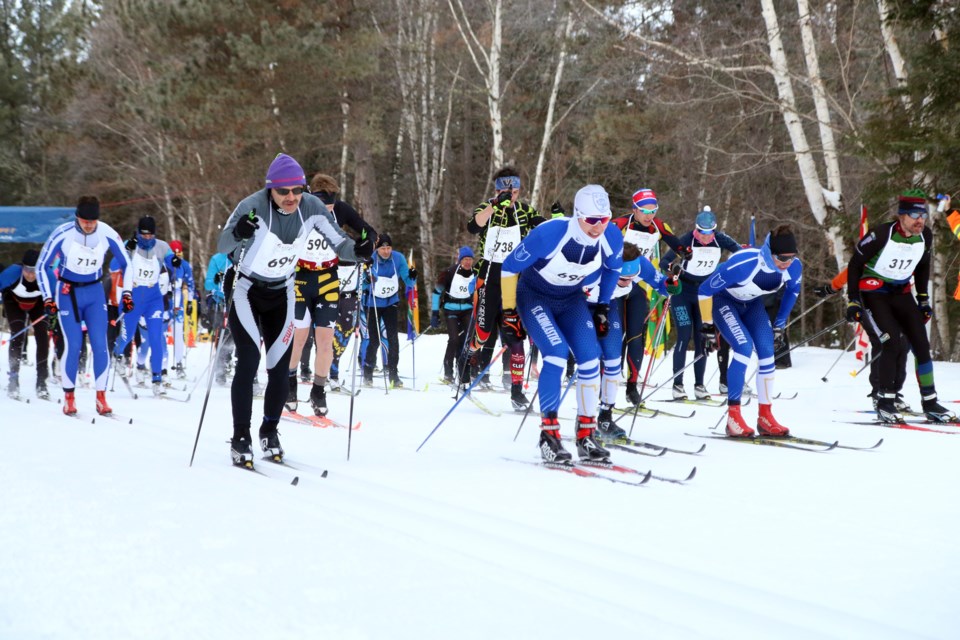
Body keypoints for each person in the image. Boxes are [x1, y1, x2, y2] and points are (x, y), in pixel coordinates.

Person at [217, 153, 369, 468]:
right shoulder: (252, 206)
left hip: (283, 291)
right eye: (283, 191)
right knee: (248, 361)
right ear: (270, 189)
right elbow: (223, 245)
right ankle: (240, 437)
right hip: (247, 291)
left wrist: (360, 251)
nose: (291, 198)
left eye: (297, 190)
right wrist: (239, 234)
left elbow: (340, 245)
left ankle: (269, 431)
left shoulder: (312, 207)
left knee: (279, 366)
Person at [501, 184, 624, 463]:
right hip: (535, 297)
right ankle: (549, 435)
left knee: (591, 359)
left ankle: (586, 435)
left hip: (571, 299)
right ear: (578, 215)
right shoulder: (550, 233)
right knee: (556, 354)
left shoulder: (611, 237)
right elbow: (509, 267)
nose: (597, 227)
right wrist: (509, 312)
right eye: (591, 220)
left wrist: (603, 305)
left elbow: (613, 269)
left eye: (603, 220)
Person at [844, 191, 957, 423]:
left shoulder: (925, 235)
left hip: (901, 293)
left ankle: (930, 402)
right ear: (902, 216)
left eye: (923, 214)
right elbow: (855, 264)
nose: (920, 220)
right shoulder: (882, 234)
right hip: (873, 292)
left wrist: (923, 300)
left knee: (921, 345)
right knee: (891, 342)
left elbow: (923, 265)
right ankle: (885, 401)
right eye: (914, 214)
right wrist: (853, 299)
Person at [697, 224, 802, 437]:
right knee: (744, 348)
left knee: (767, 353)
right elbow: (705, 289)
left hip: (753, 305)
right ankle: (733, 417)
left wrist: (780, 325)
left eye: (791, 258)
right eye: (782, 258)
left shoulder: (793, 267)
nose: (786, 264)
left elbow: (792, 292)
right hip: (724, 302)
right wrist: (707, 326)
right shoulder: (743, 263)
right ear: (769, 252)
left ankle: (765, 416)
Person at [287, 173, 377, 415]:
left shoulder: (340, 209)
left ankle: (318, 390)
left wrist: (365, 245)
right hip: (300, 278)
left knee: (326, 339)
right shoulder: (299, 208)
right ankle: (290, 383)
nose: (326, 211)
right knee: (300, 336)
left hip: (327, 278)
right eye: (322, 205)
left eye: (329, 206)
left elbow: (369, 231)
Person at [37, 196, 132, 415]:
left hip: (95, 292)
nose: (89, 224)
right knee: (74, 344)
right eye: (84, 220)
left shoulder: (107, 233)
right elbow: (42, 265)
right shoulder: (63, 233)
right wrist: (47, 298)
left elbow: (128, 265)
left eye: (93, 220)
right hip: (68, 293)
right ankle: (69, 398)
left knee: (100, 345)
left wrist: (126, 293)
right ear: (77, 217)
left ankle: (101, 398)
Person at [463, 167, 545, 408]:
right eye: (503, 191)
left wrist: (558, 221)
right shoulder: (486, 207)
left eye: (514, 192)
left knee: (516, 335)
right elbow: (473, 226)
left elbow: (544, 228)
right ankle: (465, 368)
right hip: (489, 278)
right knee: (482, 333)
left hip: (515, 280)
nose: (509, 196)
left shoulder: (524, 211)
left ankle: (517, 390)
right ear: (496, 190)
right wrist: (495, 205)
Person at [591, 243, 681, 438]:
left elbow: (660, 284)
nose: (626, 282)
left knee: (613, 359)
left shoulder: (641, 264)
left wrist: (670, 286)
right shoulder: (599, 263)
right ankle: (585, 419)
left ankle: (605, 417)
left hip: (609, 306)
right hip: (586, 304)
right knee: (590, 358)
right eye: (622, 278)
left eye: (631, 279)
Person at [612, 188, 688, 405]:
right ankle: (602, 389)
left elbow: (661, 282)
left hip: (635, 280)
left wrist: (672, 284)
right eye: (644, 210)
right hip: (612, 284)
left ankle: (632, 388)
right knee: (614, 338)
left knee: (636, 338)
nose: (649, 215)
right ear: (634, 209)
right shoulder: (618, 224)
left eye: (653, 210)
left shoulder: (656, 229)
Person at [659, 207, 741, 400]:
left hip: (704, 293)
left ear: (714, 230)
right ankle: (678, 385)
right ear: (696, 229)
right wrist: (673, 268)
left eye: (709, 232)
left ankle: (699, 385)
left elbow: (741, 254)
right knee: (684, 334)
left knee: (702, 337)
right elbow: (664, 262)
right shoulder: (686, 240)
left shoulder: (721, 239)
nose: (705, 237)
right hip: (683, 292)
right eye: (701, 232)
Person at [112, 216, 176, 396]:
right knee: (128, 335)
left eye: (151, 235)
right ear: (138, 233)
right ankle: (117, 355)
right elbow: (113, 265)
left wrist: (176, 262)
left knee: (156, 338)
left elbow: (174, 261)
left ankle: (157, 380)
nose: (147, 239)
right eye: (144, 235)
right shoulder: (130, 244)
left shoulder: (162, 246)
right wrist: (126, 250)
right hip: (132, 297)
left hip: (154, 298)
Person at [361, 233, 416, 387]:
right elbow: (363, 284)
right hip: (372, 303)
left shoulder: (398, 259)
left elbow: (408, 280)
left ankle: (393, 374)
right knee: (375, 339)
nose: (386, 251)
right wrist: (366, 280)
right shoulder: (370, 259)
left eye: (388, 248)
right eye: (383, 248)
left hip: (391, 302)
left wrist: (412, 277)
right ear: (377, 249)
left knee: (393, 338)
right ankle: (368, 371)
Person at [0, 249, 50, 399]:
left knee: (42, 337)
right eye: (27, 269)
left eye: (34, 270)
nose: (30, 274)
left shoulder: (46, 276)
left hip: (37, 304)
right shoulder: (11, 273)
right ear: (22, 267)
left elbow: (56, 294)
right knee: (18, 335)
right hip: (13, 302)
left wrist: (52, 305)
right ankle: (13, 379)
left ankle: (42, 382)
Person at [431, 246, 477, 385]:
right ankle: (448, 372)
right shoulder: (449, 272)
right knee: (454, 339)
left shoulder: (476, 274)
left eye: (470, 259)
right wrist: (434, 313)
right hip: (451, 309)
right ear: (460, 260)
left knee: (469, 340)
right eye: (465, 259)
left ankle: (464, 370)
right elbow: (436, 292)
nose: (468, 262)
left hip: (467, 310)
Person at [204, 252, 235, 385]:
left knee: (236, 335)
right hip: (221, 301)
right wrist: (216, 282)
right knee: (223, 335)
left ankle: (233, 364)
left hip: (238, 300)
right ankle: (220, 369)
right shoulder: (217, 259)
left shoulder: (244, 256)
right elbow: (208, 283)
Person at [167, 240, 197, 379]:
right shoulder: (163, 262)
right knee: (157, 333)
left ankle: (179, 364)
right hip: (163, 302)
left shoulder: (184, 265)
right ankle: (158, 366)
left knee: (178, 334)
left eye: (179, 254)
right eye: (175, 254)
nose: (177, 257)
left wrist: (190, 302)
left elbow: (190, 283)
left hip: (177, 305)